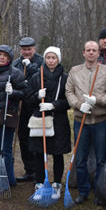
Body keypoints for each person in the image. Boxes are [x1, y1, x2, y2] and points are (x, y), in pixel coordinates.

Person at [65, 40, 106, 204]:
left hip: (101, 121)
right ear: (83, 52)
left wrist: (97, 100)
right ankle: (83, 191)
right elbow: (69, 91)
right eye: (88, 50)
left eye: (94, 50)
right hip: (81, 121)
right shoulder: (75, 71)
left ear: (99, 53)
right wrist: (79, 105)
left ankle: (100, 193)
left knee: (101, 159)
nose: (91, 53)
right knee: (81, 159)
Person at [25, 46, 71, 199]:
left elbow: (69, 101)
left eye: (54, 58)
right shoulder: (36, 77)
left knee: (57, 154)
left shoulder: (64, 78)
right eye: (48, 58)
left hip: (58, 121)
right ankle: (39, 183)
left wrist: (54, 105)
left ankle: (57, 184)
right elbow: (27, 100)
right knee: (39, 153)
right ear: (44, 59)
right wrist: (37, 96)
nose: (51, 61)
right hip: (40, 120)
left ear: (58, 60)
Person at [0, 45, 27, 188]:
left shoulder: (15, 73)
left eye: (5, 55)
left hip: (7, 115)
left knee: (5, 149)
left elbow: (25, 92)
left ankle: (8, 180)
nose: (1, 57)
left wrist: (13, 92)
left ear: (9, 58)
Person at [12, 36, 44, 183]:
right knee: (23, 138)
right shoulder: (16, 64)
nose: (26, 52)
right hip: (21, 106)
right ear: (20, 50)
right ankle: (29, 170)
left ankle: (40, 171)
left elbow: (42, 74)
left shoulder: (41, 61)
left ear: (34, 49)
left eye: (29, 49)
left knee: (36, 138)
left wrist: (30, 66)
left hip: (37, 106)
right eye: (24, 50)